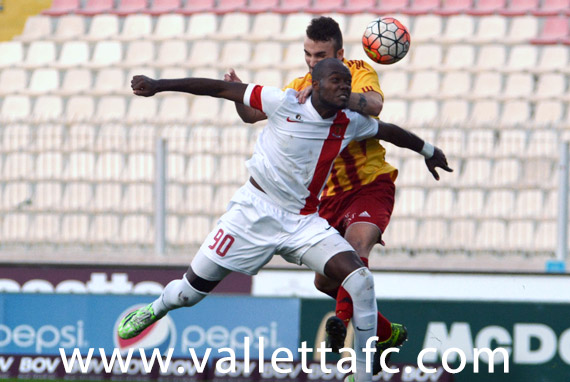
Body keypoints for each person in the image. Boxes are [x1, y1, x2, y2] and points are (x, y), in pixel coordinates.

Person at [118, 59, 451, 382]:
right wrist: (159, 85)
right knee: (188, 295)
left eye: (347, 83)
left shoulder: (349, 122)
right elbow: (217, 89)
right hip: (252, 213)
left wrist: (428, 150)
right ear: (315, 85)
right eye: (336, 81)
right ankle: (156, 308)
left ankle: (362, 374)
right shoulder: (282, 102)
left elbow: (390, 132)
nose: (344, 87)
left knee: (361, 279)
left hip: (302, 222)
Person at [224, 17, 452, 370]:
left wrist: (332, 96)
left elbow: (375, 107)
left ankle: (343, 325)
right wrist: (238, 93)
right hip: (327, 196)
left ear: (340, 54)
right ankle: (386, 332)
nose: (313, 62)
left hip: (368, 185)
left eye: (321, 55)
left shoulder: (358, 71)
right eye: (308, 55)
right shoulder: (302, 85)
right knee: (322, 280)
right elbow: (251, 114)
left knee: (357, 247)